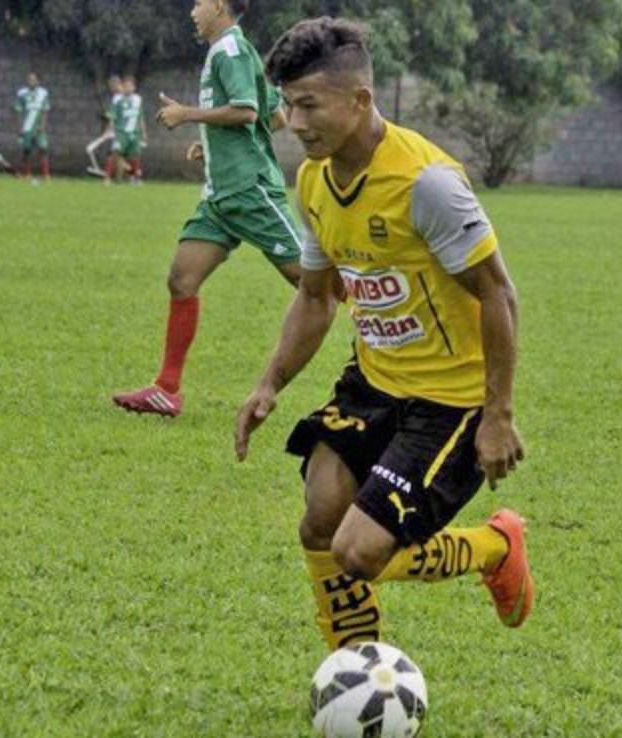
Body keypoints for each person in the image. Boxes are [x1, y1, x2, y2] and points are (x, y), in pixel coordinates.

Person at [234, 17, 533, 650]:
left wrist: (497, 415)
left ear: (360, 100)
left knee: (359, 552)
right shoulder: (314, 180)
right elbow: (317, 297)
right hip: (373, 382)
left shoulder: (427, 184)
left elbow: (498, 293)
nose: (293, 121)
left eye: (307, 104)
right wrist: (269, 383)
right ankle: (354, 662)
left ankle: (494, 546)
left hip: (450, 402)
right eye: (286, 105)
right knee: (319, 520)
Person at [112, 0, 301, 417]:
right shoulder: (235, 49)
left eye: (198, 3)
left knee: (314, 282)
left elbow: (249, 111)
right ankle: (167, 389)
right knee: (182, 279)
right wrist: (215, 144)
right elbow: (279, 117)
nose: (192, 10)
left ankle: (393, 339)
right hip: (221, 197)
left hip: (250, 191)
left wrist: (187, 115)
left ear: (219, 5)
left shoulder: (229, 50)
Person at [105, 74, 147, 183]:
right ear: (123, 86)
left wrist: (144, 132)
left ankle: (136, 178)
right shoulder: (117, 99)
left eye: (130, 86)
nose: (128, 88)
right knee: (115, 153)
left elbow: (140, 116)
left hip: (135, 132)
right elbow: (112, 116)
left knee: (135, 156)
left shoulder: (138, 99)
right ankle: (107, 178)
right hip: (121, 132)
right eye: (126, 85)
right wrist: (110, 129)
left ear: (134, 87)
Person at [14, 71, 50, 182]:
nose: (31, 81)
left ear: (38, 81)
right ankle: (27, 174)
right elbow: (18, 111)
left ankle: (46, 175)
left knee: (43, 149)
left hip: (38, 127)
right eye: (29, 79)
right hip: (26, 126)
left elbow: (45, 111)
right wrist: (19, 127)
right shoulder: (21, 93)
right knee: (26, 151)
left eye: (33, 79)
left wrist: (43, 125)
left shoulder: (43, 93)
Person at [86, 75, 122, 179]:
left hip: (118, 131)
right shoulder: (119, 97)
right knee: (117, 155)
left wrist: (108, 129)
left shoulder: (118, 98)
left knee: (113, 154)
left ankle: (109, 177)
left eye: (112, 85)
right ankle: (117, 177)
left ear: (117, 84)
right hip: (118, 130)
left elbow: (113, 116)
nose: (111, 88)